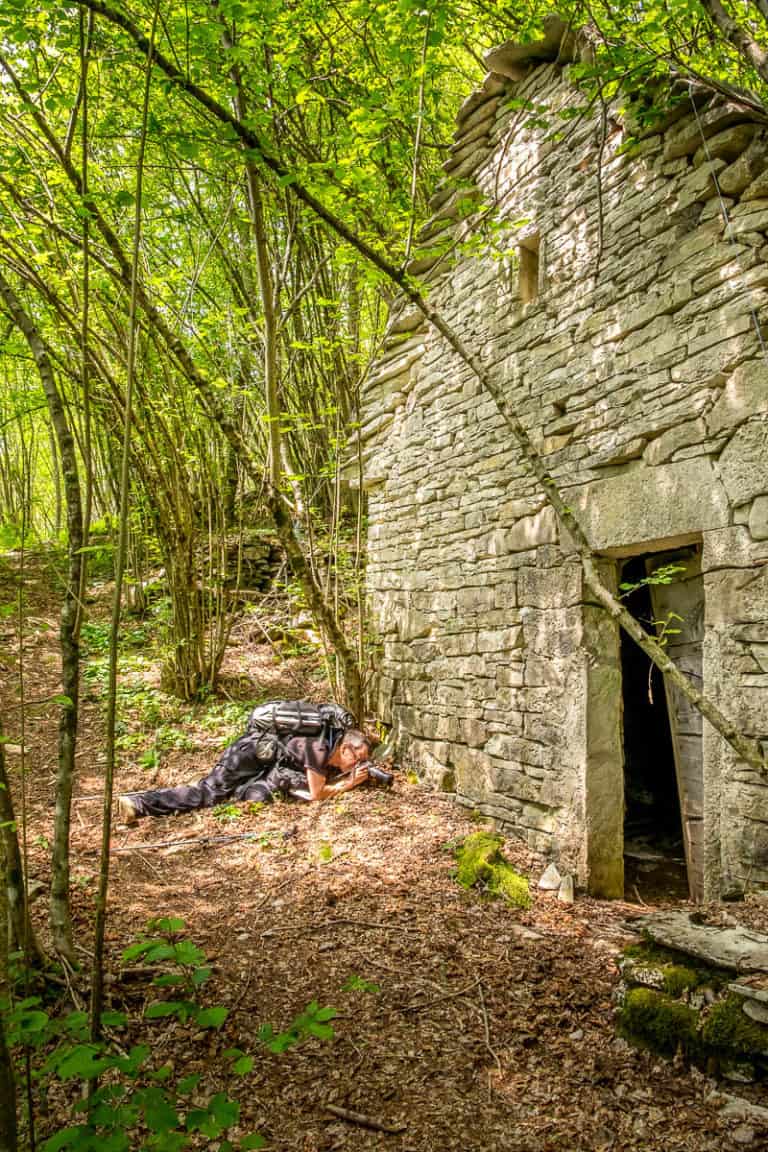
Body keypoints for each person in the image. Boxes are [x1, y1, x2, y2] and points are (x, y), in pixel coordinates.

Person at [117, 726, 372, 825]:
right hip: (249, 753)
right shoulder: (319, 749)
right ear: (345, 749)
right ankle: (138, 803)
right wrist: (349, 783)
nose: (359, 764)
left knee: (241, 796)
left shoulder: (328, 744)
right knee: (209, 794)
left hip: (261, 760)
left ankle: (216, 784)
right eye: (358, 758)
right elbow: (317, 794)